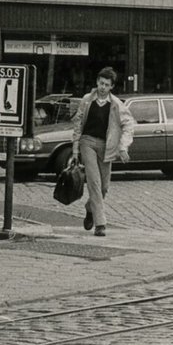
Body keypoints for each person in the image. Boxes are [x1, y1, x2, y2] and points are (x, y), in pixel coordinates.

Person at [70, 66, 134, 237]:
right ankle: (100, 224)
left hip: (107, 146)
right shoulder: (86, 100)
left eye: (106, 84)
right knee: (94, 183)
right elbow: (77, 126)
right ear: (97, 82)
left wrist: (123, 147)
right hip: (87, 142)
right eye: (100, 83)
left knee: (104, 187)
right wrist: (75, 150)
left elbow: (128, 125)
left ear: (112, 86)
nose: (102, 87)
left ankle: (90, 208)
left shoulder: (116, 105)